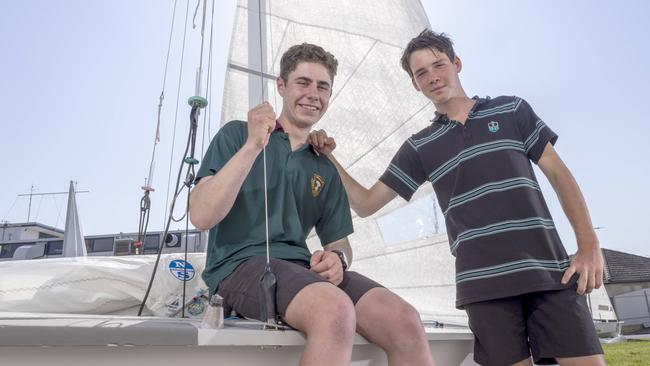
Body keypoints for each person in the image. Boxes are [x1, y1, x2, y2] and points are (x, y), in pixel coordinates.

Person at [309, 30, 606, 366]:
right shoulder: (419, 147)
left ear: (457, 64)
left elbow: (558, 174)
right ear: (415, 85)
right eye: (421, 73)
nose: (433, 77)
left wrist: (588, 244)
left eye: (439, 65)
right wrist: (328, 157)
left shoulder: (512, 110)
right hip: (483, 288)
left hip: (550, 274)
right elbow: (365, 203)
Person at [189, 43, 435, 366]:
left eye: (323, 87)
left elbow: (341, 244)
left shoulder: (324, 165)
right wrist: (253, 145)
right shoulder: (236, 135)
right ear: (281, 86)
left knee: (406, 322)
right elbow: (201, 215)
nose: (313, 94)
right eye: (303, 82)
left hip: (302, 272)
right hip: (238, 267)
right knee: (334, 310)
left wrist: (337, 260)